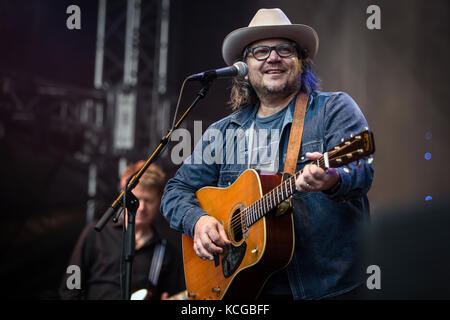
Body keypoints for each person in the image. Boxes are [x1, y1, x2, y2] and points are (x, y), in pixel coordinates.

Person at [161, 8, 374, 300]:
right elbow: (176, 190)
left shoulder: (332, 110)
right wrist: (197, 221)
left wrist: (334, 178)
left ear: (301, 61)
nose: (273, 58)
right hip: (247, 290)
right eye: (260, 51)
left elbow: (361, 171)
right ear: (245, 67)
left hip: (327, 289)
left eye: (284, 49)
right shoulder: (221, 133)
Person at [60, 161, 185, 300]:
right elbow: (71, 287)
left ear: (159, 200)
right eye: (136, 199)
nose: (141, 207)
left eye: (148, 201)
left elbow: (173, 294)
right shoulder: (95, 234)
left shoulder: (167, 252)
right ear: (123, 195)